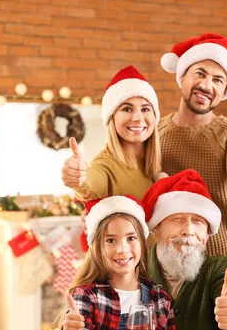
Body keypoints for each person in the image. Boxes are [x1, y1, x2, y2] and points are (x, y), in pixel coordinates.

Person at [6, 170, 227, 330]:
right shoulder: (131, 274)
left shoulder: (215, 269)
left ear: (208, 234)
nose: (188, 230)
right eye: (177, 219)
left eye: (198, 221)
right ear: (156, 228)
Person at [62, 33, 227, 269]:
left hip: (226, 265)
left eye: (218, 80)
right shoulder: (153, 135)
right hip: (170, 271)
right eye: (200, 73)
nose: (207, 85)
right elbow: (114, 175)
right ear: (182, 75)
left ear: (225, 88)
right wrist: (89, 197)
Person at [58, 195, 180, 330]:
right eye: (111, 240)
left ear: (142, 243)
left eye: (131, 238)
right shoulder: (87, 297)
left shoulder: (160, 300)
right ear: (97, 247)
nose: (122, 249)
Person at [60, 65, 163, 250]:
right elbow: (93, 182)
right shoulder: (106, 164)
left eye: (146, 109)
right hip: (121, 275)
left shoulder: (154, 163)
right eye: (127, 109)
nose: (138, 118)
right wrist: (79, 177)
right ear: (111, 117)